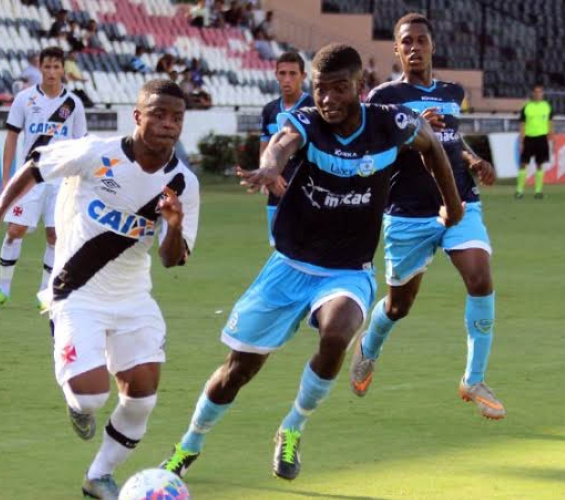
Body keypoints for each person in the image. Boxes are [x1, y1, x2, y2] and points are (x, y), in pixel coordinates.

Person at [160, 43, 462, 481]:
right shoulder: (308, 122)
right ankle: (189, 444)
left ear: (360, 87)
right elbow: (283, 142)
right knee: (238, 370)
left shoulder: (390, 123)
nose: (327, 99)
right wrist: (269, 167)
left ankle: (293, 427)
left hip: (347, 271)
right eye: (320, 89)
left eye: (339, 89)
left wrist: (452, 206)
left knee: (338, 331)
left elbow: (431, 145)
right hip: (290, 265)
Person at [0, 79, 199, 500]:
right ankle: (75, 394)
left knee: (142, 399)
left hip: (133, 298)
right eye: (159, 114)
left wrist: (175, 224)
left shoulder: (183, 183)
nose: (168, 124)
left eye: (176, 117)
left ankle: (99, 476)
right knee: (91, 398)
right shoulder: (97, 152)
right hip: (77, 291)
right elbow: (35, 166)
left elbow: (173, 260)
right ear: (138, 116)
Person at [350, 13, 504, 420]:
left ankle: (474, 379)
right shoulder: (383, 96)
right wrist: (414, 131)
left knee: (480, 277)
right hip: (407, 212)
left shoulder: (452, 92)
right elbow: (370, 152)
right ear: (397, 50)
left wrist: (472, 160)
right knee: (398, 306)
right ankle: (369, 347)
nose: (415, 47)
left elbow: (451, 138)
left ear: (432, 46)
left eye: (421, 40)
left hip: (459, 202)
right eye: (407, 42)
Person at [0, 47, 88, 311]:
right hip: (30, 177)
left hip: (61, 180)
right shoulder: (25, 99)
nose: (51, 72)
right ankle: (2, 290)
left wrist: (81, 183)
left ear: (63, 70)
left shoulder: (73, 104)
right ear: (40, 68)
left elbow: (82, 146)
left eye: (56, 67)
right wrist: (6, 177)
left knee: (54, 236)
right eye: (47, 67)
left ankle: (45, 293)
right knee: (15, 230)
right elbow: (12, 137)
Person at [258, 51, 313, 246]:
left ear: (303, 76)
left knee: (307, 248)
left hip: (308, 191)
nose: (287, 79)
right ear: (276, 75)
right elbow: (264, 148)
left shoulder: (313, 107)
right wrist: (268, 175)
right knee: (279, 248)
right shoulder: (269, 110)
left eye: (293, 73)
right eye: (282, 73)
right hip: (276, 190)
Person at [516, 84, 554, 199]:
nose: (538, 94)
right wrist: (521, 141)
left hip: (542, 138)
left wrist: (552, 137)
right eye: (536, 92)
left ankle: (538, 191)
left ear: (543, 94)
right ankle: (519, 191)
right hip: (529, 138)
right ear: (532, 93)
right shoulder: (527, 107)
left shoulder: (547, 107)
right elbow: (522, 124)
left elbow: (550, 123)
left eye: (540, 92)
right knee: (523, 164)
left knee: (539, 164)